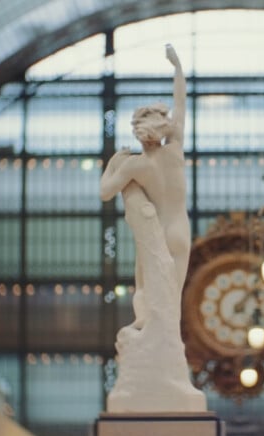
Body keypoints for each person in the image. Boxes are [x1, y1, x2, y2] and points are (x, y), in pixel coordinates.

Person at [99, 44, 189, 329]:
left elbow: (104, 193)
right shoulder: (175, 150)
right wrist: (177, 67)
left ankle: (145, 338)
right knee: (172, 305)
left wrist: (113, 162)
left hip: (158, 234)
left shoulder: (135, 165)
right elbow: (181, 101)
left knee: (146, 293)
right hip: (181, 232)